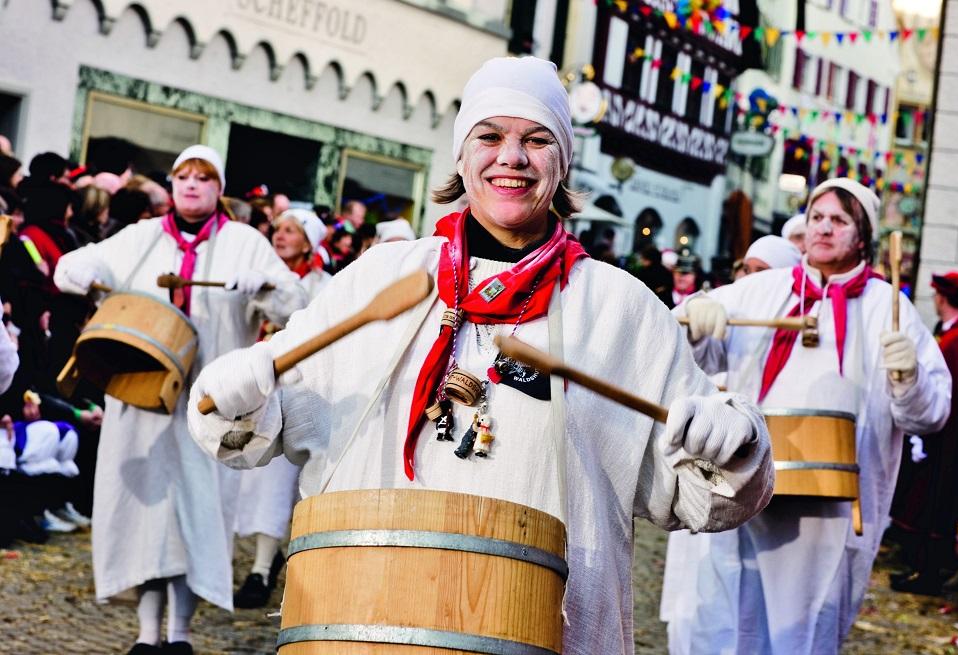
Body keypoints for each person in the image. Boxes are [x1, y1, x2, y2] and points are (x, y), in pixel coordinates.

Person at [187, 56, 774, 655]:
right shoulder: (382, 279)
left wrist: (734, 443)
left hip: (548, 634)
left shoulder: (619, 309)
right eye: (489, 136)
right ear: (461, 158)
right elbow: (256, 424)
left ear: (563, 160)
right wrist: (237, 393)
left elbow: (706, 499)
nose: (511, 158)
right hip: (366, 621)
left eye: (537, 140)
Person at [662, 178, 951, 654]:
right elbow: (686, 354)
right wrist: (695, 320)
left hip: (832, 510)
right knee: (731, 613)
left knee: (807, 626)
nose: (823, 229)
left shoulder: (889, 308)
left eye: (838, 220)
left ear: (862, 235)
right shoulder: (760, 290)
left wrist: (908, 377)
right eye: (817, 217)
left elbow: (930, 414)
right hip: (746, 488)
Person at [53, 144, 308, 655]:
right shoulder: (141, 238)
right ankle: (147, 635)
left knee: (198, 511)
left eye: (203, 177)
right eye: (182, 176)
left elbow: (294, 304)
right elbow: (77, 266)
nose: (191, 184)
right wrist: (73, 270)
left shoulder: (245, 242)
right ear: (172, 185)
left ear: (218, 188)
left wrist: (265, 285)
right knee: (144, 516)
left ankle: (180, 635)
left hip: (210, 404)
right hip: (141, 394)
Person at [232, 208, 331, 609]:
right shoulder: (254, 276)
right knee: (255, 477)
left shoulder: (324, 283)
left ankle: (272, 566)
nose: (280, 236)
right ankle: (252, 562)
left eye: (291, 230)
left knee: (287, 481)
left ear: (309, 241)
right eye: (278, 229)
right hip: (257, 389)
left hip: (300, 390)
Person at [890, 271, 958, 594]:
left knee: (934, 507)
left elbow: (951, 394)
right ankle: (923, 570)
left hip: (948, 441)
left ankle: (927, 573)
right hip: (950, 438)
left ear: (942, 298)